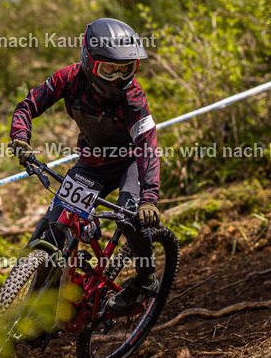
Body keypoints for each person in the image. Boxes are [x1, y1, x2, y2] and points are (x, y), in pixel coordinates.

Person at [8, 17, 160, 314]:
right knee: (53, 229)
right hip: (91, 165)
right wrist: (20, 139)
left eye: (125, 69)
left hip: (130, 165)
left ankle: (145, 281)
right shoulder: (69, 78)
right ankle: (38, 314)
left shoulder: (134, 98)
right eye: (108, 69)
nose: (117, 78)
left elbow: (148, 146)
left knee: (131, 219)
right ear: (89, 62)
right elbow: (28, 105)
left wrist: (149, 198)